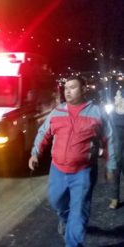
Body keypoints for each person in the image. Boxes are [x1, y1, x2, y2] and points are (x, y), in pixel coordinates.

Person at [28, 75, 117, 247]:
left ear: (84, 90)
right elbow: (43, 133)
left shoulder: (96, 112)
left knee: (79, 212)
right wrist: (35, 153)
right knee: (56, 201)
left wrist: (111, 165)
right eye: (66, 88)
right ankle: (64, 219)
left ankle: (73, 243)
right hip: (58, 170)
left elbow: (110, 139)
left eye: (73, 87)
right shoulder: (57, 112)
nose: (67, 91)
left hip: (83, 172)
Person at [107, 89, 124, 209]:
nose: (115, 98)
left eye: (117, 96)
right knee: (114, 172)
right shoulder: (111, 114)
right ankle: (115, 198)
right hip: (115, 148)